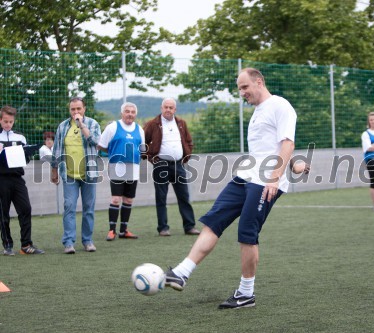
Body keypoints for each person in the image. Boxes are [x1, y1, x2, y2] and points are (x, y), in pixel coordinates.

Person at [163, 68, 298, 309]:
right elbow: (272, 146)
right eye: (239, 89)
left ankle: (246, 293)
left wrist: (275, 178)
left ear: (259, 82)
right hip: (245, 176)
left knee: (247, 232)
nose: (242, 93)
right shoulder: (258, 111)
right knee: (214, 221)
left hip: (265, 181)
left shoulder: (280, 105)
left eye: (245, 87)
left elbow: (288, 141)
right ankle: (181, 273)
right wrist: (295, 163)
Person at [143, 97, 200, 236]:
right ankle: (163, 228)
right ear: (161, 108)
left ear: (175, 109)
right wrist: (151, 159)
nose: (168, 110)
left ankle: (189, 226)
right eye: (166, 107)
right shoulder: (153, 124)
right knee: (161, 197)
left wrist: (186, 156)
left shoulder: (181, 123)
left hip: (178, 164)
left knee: (184, 196)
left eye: (171, 107)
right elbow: (143, 143)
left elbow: (189, 141)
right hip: (160, 165)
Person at [51, 97, 101, 254]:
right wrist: (54, 170)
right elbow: (57, 149)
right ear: (69, 110)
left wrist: (82, 125)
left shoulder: (93, 124)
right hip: (70, 175)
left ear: (84, 109)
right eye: (73, 109)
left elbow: (95, 142)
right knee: (69, 207)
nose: (76, 112)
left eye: (79, 109)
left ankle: (87, 241)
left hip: (89, 174)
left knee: (89, 209)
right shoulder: (63, 126)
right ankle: (68, 242)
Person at [0, 106, 45, 255]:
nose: (8, 124)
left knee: (26, 209)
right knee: (3, 213)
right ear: (0, 120)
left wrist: (26, 153)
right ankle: (7, 246)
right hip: (1, 179)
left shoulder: (20, 137)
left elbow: (25, 159)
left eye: (11, 121)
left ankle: (26, 245)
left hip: (17, 178)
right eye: (5, 121)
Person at [98, 102, 144, 241]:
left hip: (133, 168)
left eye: (132, 112)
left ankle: (124, 230)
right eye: (127, 111)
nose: (130, 114)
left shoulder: (139, 129)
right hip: (117, 167)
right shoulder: (112, 127)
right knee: (116, 199)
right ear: (122, 113)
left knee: (129, 199)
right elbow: (102, 145)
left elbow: (142, 149)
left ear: (135, 114)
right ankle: (112, 230)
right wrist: (114, 153)